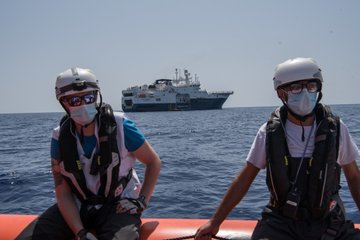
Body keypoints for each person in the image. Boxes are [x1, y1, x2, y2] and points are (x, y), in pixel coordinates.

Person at [195, 57, 360, 240]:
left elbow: (353, 176)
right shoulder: (268, 132)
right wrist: (215, 221)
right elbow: (245, 178)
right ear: (281, 94)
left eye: (311, 86)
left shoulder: (336, 129)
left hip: (327, 221)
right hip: (281, 222)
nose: (305, 93)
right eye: (296, 87)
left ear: (319, 89)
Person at [17, 67, 161, 240]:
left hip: (118, 204)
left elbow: (153, 162)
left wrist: (141, 201)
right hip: (80, 204)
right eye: (75, 100)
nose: (84, 104)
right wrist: (80, 232)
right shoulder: (59, 137)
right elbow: (62, 190)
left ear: (96, 96)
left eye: (89, 97)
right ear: (63, 102)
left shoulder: (121, 126)